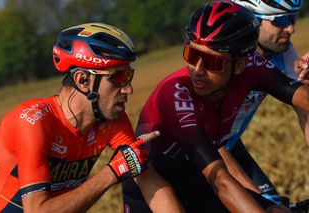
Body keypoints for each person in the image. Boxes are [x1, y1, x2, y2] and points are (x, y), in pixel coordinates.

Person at [122, 1, 309, 212]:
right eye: (192, 55)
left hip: (200, 184)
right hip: (155, 193)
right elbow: (221, 180)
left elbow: (304, 99)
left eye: (212, 62)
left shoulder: (253, 67)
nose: (197, 70)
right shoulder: (175, 94)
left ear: (240, 65)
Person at [0, 23, 162, 212]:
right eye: (120, 78)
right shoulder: (33, 123)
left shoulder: (112, 120)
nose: (129, 89)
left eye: (130, 76)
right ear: (83, 80)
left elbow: (150, 183)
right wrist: (112, 172)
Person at [226, 0, 309, 205]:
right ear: (252, 21)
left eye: (292, 18)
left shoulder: (283, 51)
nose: (291, 28)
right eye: (280, 20)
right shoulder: (228, 61)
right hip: (198, 155)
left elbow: (304, 110)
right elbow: (206, 142)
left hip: (230, 146)